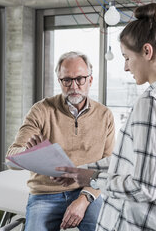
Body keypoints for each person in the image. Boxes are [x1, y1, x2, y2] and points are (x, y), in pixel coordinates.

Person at [55, 3, 156, 231]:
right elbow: (133, 161)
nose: (125, 67)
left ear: (146, 51)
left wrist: (91, 179)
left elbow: (143, 187)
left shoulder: (152, 103)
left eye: (126, 57)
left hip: (143, 224)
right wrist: (79, 171)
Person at [6, 51, 115, 231]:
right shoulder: (41, 110)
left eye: (80, 79)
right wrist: (30, 155)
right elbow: (12, 157)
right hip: (44, 195)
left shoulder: (105, 115)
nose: (74, 86)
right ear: (59, 81)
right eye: (67, 80)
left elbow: (109, 165)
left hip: (86, 191)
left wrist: (84, 199)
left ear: (90, 80)